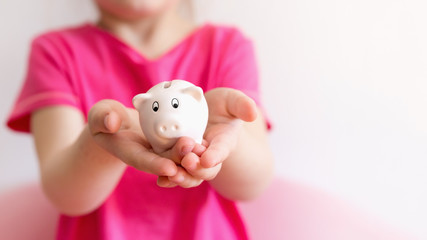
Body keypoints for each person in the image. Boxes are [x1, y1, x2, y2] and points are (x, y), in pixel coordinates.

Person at [6, 0, 274, 239]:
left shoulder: (228, 47)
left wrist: (224, 139)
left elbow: (254, 184)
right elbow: (63, 193)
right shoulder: (55, 53)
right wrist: (100, 143)